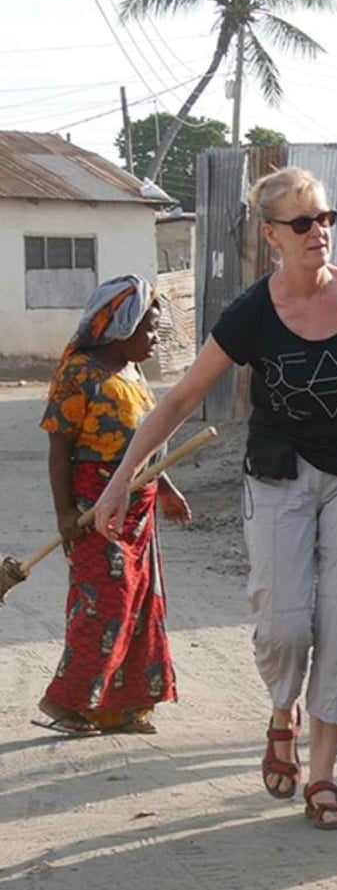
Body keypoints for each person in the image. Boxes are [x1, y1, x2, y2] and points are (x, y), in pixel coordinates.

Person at [90, 166, 337, 831]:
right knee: (286, 625)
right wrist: (122, 479)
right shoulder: (251, 314)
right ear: (272, 236)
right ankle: (281, 711)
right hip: (280, 476)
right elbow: (180, 398)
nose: (319, 231)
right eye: (303, 222)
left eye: (325, 218)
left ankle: (324, 775)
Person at [35, 275, 190, 736]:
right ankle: (66, 701)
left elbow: (145, 446)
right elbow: (60, 449)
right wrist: (65, 513)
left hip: (138, 508)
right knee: (105, 603)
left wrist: (165, 487)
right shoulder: (79, 373)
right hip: (94, 505)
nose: (155, 340)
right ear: (119, 328)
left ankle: (121, 706)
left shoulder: (133, 373)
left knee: (141, 602)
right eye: (149, 331)